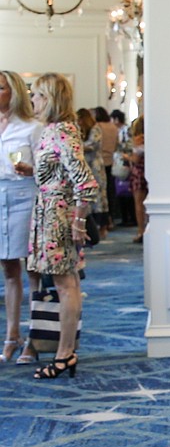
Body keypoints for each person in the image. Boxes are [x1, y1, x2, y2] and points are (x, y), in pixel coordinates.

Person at [23, 73, 98, 379]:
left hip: (58, 217)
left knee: (66, 285)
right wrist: (33, 171)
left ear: (51, 99)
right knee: (68, 284)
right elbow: (61, 172)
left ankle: (65, 354)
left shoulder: (62, 130)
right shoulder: (54, 129)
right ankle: (65, 352)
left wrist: (78, 222)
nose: (33, 100)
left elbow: (85, 182)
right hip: (50, 211)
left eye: (38, 95)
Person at [0, 70, 42, 364]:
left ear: (13, 92)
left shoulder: (31, 127)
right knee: (7, 267)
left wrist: (30, 170)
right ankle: (11, 335)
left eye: (0, 88)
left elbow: (47, 170)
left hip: (24, 196)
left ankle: (34, 336)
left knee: (33, 268)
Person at [77, 107, 109, 237]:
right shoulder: (80, 130)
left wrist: (76, 146)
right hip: (85, 165)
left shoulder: (95, 129)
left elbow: (92, 145)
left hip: (95, 166)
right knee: (87, 196)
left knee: (99, 196)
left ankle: (102, 226)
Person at [94, 105, 119, 229]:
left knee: (101, 192)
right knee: (110, 190)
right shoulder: (114, 127)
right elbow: (117, 144)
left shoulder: (97, 127)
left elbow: (95, 144)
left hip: (98, 162)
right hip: (110, 160)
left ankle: (102, 220)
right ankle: (111, 218)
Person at [128, 115, 147, 243]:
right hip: (150, 170)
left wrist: (126, 157)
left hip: (139, 172)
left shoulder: (138, 139)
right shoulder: (153, 138)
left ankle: (141, 230)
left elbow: (135, 159)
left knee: (139, 203)